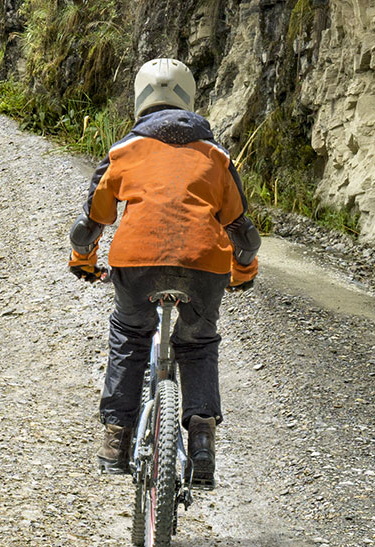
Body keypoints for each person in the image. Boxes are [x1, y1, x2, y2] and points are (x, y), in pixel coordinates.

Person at [67, 58, 260, 487]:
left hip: (136, 263)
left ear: (139, 99)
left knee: (130, 335)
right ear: (189, 99)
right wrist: (242, 271)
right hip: (203, 267)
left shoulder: (123, 151)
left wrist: (84, 260)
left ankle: (116, 438)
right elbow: (243, 233)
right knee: (197, 343)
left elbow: (89, 224)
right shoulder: (216, 156)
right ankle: (203, 442)